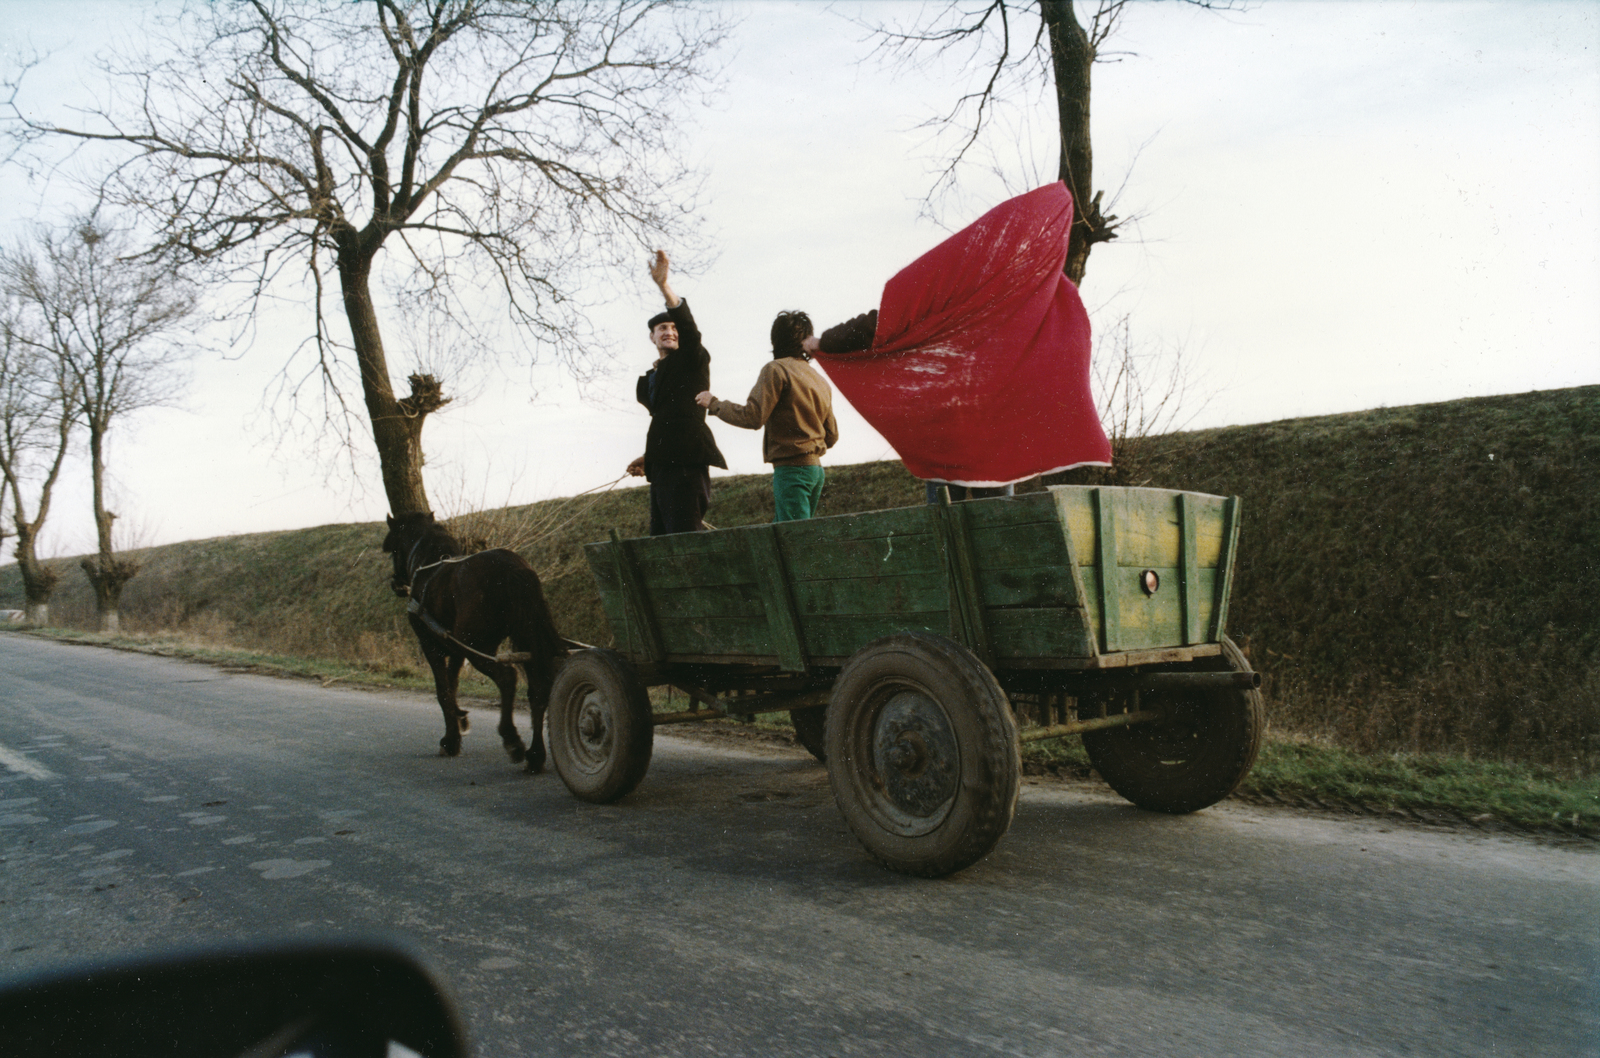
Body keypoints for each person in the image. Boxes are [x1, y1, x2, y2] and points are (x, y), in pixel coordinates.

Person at [804, 318, 1012, 505]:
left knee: (948, 530)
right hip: (988, 435)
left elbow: (878, 325)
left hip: (946, 438)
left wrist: (821, 342)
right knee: (1000, 530)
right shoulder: (998, 292)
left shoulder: (933, 294)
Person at [696, 311, 839, 522]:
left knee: (794, 540)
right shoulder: (819, 379)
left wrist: (715, 404)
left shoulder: (775, 370)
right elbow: (832, 436)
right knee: (789, 534)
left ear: (776, 338)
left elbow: (752, 417)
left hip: (791, 471)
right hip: (815, 471)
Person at [626, 251, 727, 535]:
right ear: (652, 336)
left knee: (686, 544)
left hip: (686, 467)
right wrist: (650, 457)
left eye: (673, 327)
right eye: (662, 328)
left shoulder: (692, 359)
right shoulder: (651, 379)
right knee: (662, 544)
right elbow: (669, 419)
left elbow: (690, 330)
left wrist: (664, 287)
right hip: (661, 470)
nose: (669, 331)